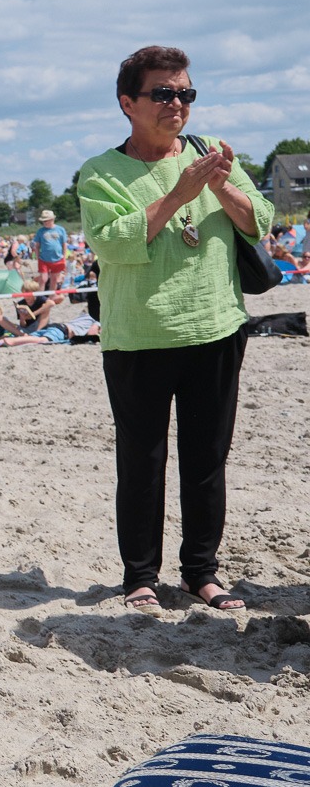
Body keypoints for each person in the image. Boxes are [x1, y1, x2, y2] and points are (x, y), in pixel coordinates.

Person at [77, 45, 271, 614]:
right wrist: (179, 193)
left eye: (186, 93)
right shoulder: (100, 172)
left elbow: (260, 221)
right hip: (138, 335)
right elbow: (112, 242)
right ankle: (140, 576)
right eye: (163, 93)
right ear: (127, 103)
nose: (177, 104)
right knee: (141, 460)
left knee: (207, 459)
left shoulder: (211, 153)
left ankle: (200, 574)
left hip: (217, 326)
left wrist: (217, 185)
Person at [35, 210, 70, 294]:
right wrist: (38, 256)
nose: (44, 222)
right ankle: (40, 296)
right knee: (43, 278)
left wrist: (64, 257)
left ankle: (51, 296)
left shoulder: (60, 229)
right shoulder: (40, 231)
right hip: (44, 259)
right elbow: (37, 245)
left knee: (54, 279)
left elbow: (64, 245)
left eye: (46, 220)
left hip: (58, 258)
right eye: (43, 221)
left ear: (52, 219)